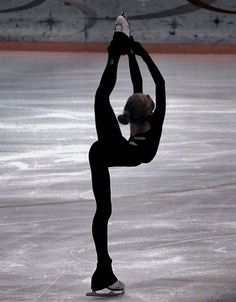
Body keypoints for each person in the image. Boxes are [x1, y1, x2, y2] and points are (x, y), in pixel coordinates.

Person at [88, 12, 166, 294]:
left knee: (104, 210)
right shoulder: (150, 117)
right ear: (145, 113)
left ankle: (114, 50)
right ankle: (115, 50)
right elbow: (155, 86)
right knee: (100, 98)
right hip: (109, 152)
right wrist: (136, 53)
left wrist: (135, 52)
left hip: (107, 152)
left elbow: (153, 86)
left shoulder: (147, 120)